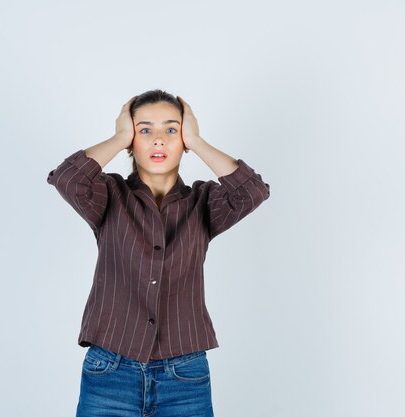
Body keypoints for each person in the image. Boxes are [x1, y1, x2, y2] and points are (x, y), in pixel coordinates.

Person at [46, 89, 270, 417]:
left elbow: (252, 191)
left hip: (185, 375)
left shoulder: (203, 202)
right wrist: (119, 135)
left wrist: (197, 140)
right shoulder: (108, 195)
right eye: (145, 130)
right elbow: (66, 179)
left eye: (171, 129)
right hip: (110, 370)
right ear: (130, 142)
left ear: (184, 140)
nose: (159, 140)